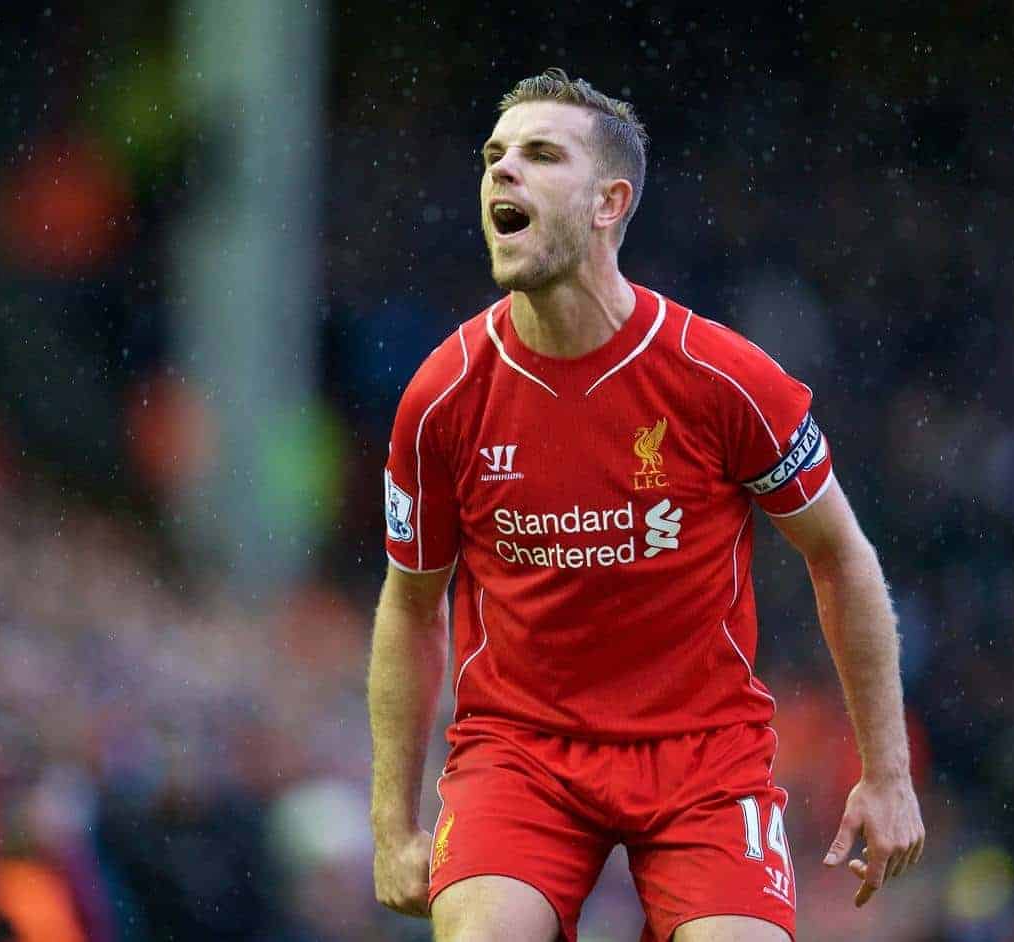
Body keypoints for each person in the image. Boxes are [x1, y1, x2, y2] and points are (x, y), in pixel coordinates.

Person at [367, 67, 924, 942]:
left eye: (541, 155)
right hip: (521, 755)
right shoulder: (443, 397)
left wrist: (886, 774)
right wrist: (392, 822)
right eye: (493, 156)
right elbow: (410, 604)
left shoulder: (724, 379)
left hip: (705, 758)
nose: (502, 172)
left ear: (608, 203)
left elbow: (840, 554)